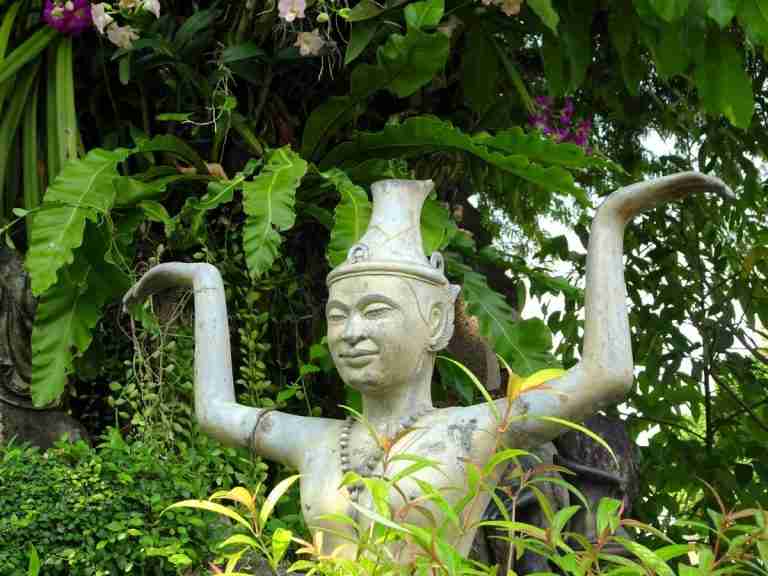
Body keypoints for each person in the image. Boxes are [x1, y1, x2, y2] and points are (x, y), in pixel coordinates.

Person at [123, 173, 731, 561]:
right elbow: (215, 411)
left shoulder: (476, 429)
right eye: (338, 315)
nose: (351, 332)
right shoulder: (317, 441)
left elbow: (605, 375)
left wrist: (610, 222)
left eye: (375, 311)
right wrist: (206, 286)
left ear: (437, 323)